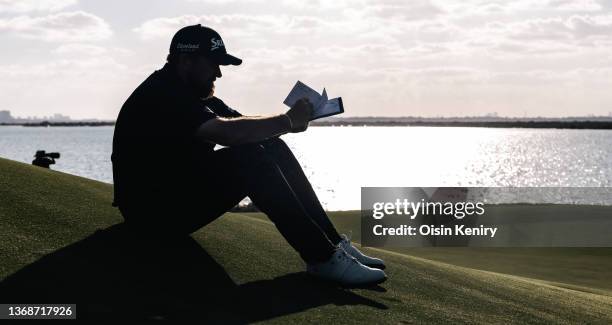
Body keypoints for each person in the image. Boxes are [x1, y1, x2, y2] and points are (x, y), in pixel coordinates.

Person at [111, 24, 386, 286]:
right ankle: (322, 259)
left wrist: (291, 121)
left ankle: (332, 245)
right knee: (250, 158)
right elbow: (227, 134)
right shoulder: (164, 94)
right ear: (185, 61)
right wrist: (286, 121)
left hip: (173, 197)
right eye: (213, 64)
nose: (218, 73)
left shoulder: (190, 93)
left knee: (270, 146)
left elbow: (241, 124)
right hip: (149, 216)